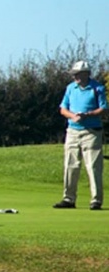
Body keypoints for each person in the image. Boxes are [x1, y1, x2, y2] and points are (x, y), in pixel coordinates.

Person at [53, 60, 107, 210]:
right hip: (72, 131)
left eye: (78, 74)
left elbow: (103, 108)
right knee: (71, 165)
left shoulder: (97, 88)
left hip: (92, 132)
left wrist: (87, 114)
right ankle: (68, 199)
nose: (75, 76)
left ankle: (96, 200)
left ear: (87, 74)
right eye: (74, 74)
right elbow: (63, 109)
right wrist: (72, 116)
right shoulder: (70, 88)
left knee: (93, 167)